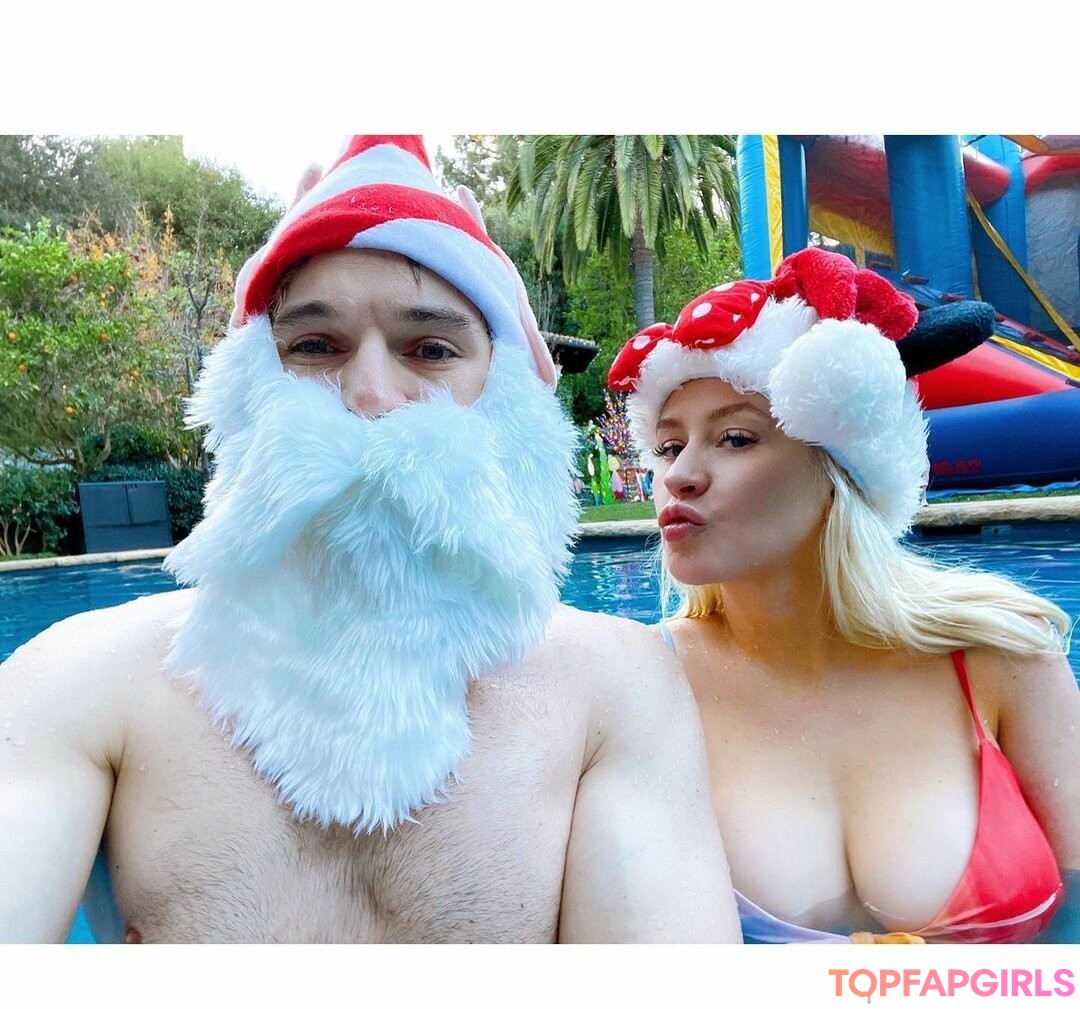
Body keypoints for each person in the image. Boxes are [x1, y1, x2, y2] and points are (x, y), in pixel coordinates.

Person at [0, 136, 738, 944]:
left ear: (504, 394)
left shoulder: (616, 687)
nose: (370, 395)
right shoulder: (81, 680)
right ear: (250, 386)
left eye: (432, 349)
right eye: (315, 346)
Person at [607, 247, 1080, 944]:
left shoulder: (1005, 654)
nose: (680, 476)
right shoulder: (636, 682)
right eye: (670, 447)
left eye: (734, 438)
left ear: (843, 470)